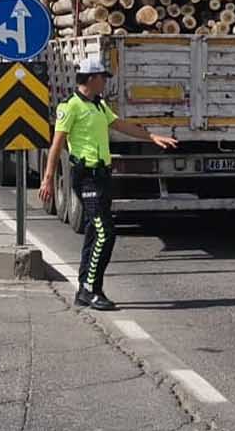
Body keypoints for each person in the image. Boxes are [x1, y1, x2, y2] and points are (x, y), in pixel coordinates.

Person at [38, 56, 178, 311]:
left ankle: (84, 289)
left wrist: (151, 137)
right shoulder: (71, 106)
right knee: (106, 233)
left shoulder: (99, 105)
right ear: (91, 79)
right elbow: (56, 145)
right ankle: (93, 290)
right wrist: (48, 179)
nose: (105, 82)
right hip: (86, 176)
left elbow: (120, 125)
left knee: (94, 231)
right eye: (103, 77)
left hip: (102, 175)